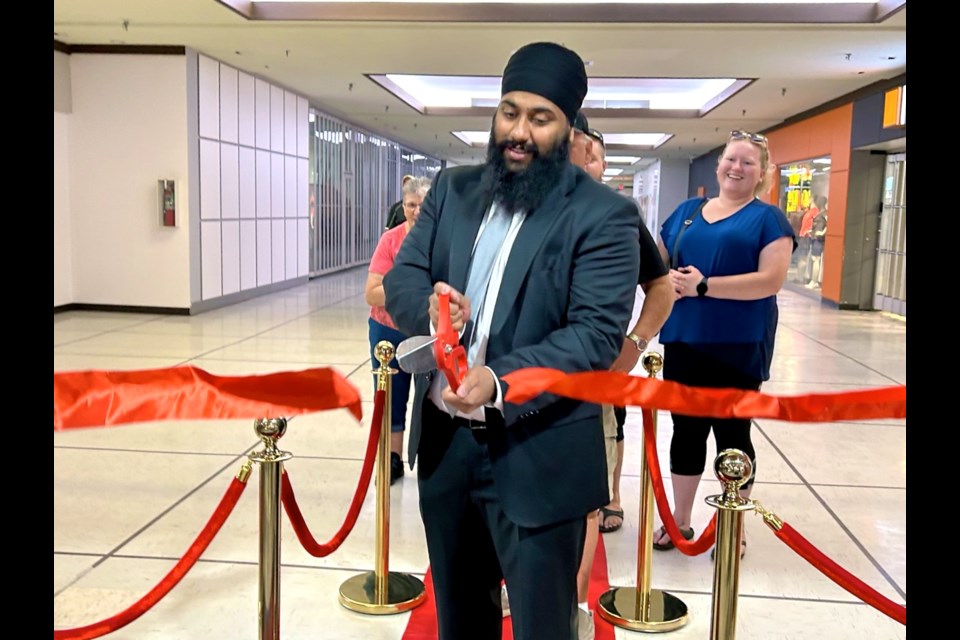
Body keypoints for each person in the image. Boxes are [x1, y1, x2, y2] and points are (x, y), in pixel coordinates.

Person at [383, 42, 640, 640]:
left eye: (540, 118)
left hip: (539, 453)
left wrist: (499, 380)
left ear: (569, 128)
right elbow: (403, 276)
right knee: (460, 622)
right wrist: (430, 308)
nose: (518, 131)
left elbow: (595, 335)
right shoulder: (454, 189)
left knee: (543, 628)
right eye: (508, 112)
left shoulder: (603, 215)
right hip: (447, 451)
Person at [652, 130, 795, 559]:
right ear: (718, 166)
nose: (736, 168)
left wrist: (704, 286)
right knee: (686, 431)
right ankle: (679, 519)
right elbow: (659, 263)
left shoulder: (768, 219)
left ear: (762, 174)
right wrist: (667, 281)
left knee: (733, 434)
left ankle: (735, 524)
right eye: (731, 159)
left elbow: (771, 280)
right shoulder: (687, 212)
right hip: (684, 339)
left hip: (738, 343)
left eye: (748, 163)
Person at [566, 113, 673, 640]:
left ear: (588, 151)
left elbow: (662, 287)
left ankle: (573, 600)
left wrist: (634, 345)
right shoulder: (510, 207)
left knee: (586, 498)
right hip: (517, 384)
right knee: (511, 492)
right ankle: (517, 582)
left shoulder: (618, 215)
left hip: (593, 381)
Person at [365, 176, 432, 484]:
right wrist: (409, 294)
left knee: (429, 398)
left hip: (426, 331)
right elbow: (371, 292)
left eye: (422, 205)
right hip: (387, 330)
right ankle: (392, 459)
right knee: (391, 396)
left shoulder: (440, 239)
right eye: (410, 205)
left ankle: (430, 458)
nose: (416, 211)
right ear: (402, 206)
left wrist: (396, 289)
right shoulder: (390, 240)